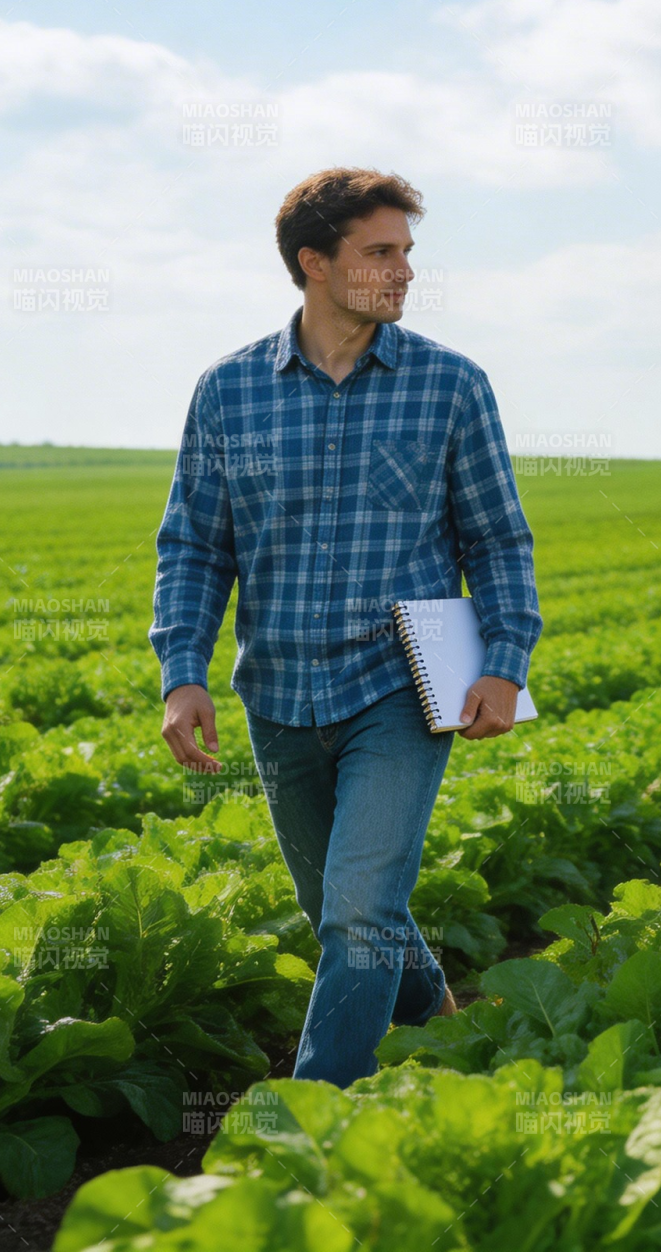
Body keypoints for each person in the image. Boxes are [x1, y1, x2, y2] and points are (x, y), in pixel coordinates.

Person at [149, 166, 541, 1087]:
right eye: (380, 252)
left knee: (359, 914)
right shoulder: (229, 392)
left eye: (407, 253)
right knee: (346, 908)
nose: (403, 271)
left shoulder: (451, 386)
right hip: (279, 695)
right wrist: (182, 671)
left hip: (400, 688)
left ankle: (312, 1116)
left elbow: (498, 540)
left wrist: (506, 661)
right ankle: (441, 1020)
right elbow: (195, 547)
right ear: (313, 262)